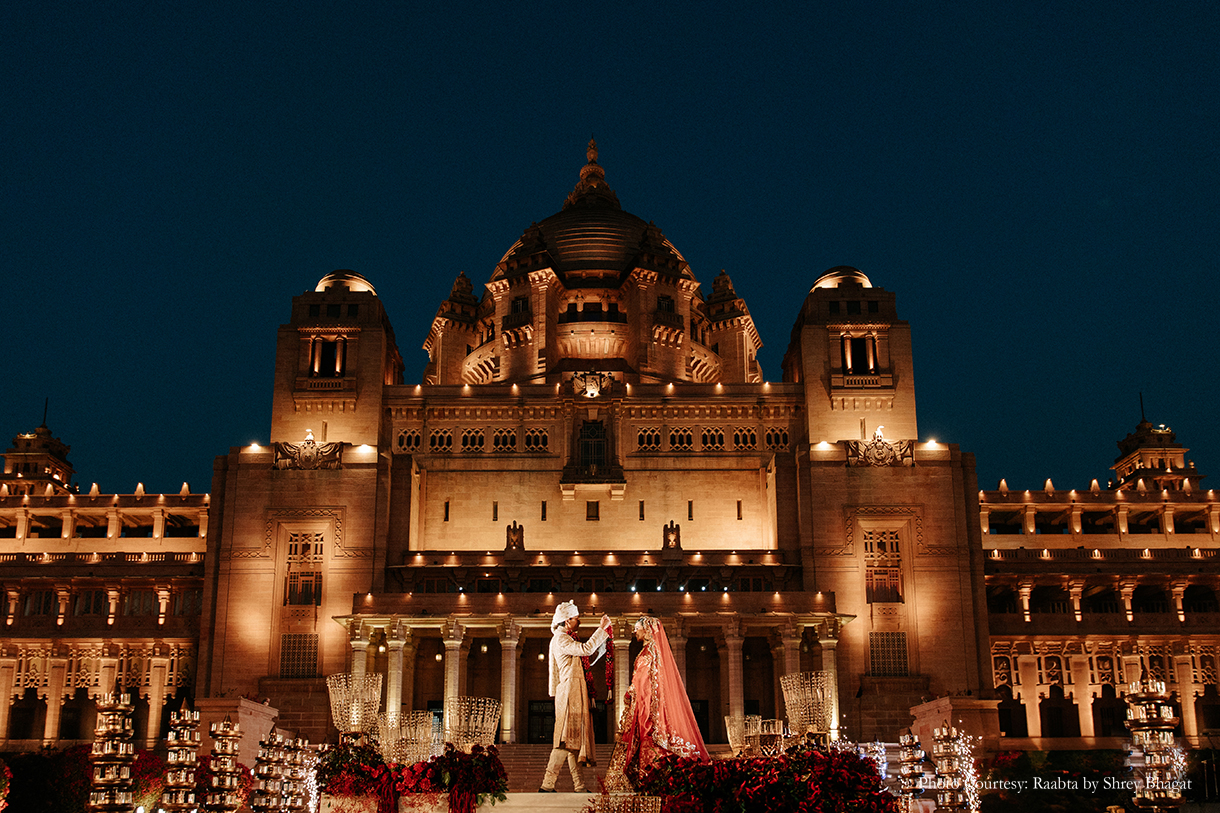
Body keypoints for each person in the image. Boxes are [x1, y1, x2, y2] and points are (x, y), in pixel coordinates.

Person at [606, 616, 710, 791]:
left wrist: (633, 693)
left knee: (650, 741)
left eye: (637, 628)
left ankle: (651, 784)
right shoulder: (650, 651)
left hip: (647, 707)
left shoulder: (650, 653)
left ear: (646, 631)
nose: (634, 631)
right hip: (643, 704)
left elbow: (646, 683)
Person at [540, 601, 612, 793]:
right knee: (564, 741)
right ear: (567, 620)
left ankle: (579, 786)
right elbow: (586, 649)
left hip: (574, 690)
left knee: (573, 741)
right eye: (576, 618)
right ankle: (547, 784)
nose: (578, 621)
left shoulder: (565, 638)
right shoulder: (562, 639)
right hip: (570, 692)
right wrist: (601, 629)